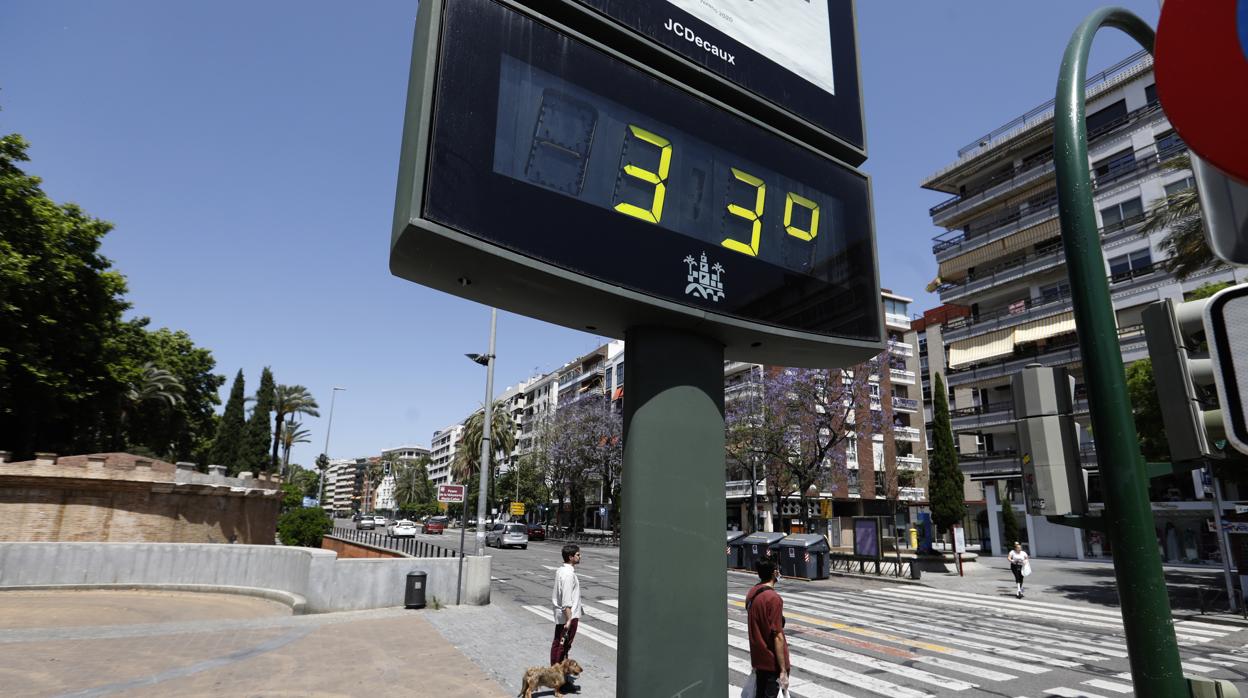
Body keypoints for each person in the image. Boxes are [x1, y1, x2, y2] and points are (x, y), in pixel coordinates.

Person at [746, 555, 790, 698]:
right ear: (774, 573)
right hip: (772, 664)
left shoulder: (752, 593)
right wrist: (783, 670)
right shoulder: (773, 599)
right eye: (777, 569)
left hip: (759, 660)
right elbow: (777, 636)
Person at [551, 544, 582, 671]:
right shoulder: (568, 574)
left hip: (563, 615)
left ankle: (558, 674)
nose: (580, 556)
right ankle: (557, 676)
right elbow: (566, 600)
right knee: (562, 646)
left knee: (559, 644)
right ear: (571, 557)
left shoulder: (561, 570)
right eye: (578, 555)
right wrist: (569, 620)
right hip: (568, 616)